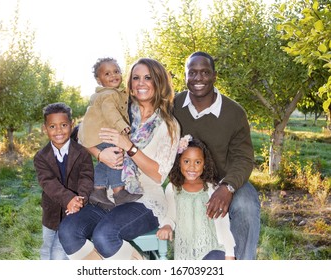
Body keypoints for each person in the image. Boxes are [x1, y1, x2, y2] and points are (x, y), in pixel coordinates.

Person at [58, 58, 180, 260]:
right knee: (68, 231)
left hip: (143, 197)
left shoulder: (169, 124)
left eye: (148, 78)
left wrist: (129, 146)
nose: (141, 83)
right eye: (136, 78)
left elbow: (159, 175)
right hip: (108, 194)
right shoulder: (116, 109)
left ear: (158, 82)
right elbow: (82, 134)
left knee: (105, 236)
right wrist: (100, 154)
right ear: (130, 83)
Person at [172, 51, 260, 260]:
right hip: (189, 178)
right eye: (192, 73)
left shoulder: (234, 112)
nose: (198, 78)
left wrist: (227, 187)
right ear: (185, 75)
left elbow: (244, 157)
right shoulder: (174, 106)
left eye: (205, 72)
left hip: (226, 179)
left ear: (214, 75)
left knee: (247, 204)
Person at [157, 135, 236, 260]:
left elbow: (223, 224)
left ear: (204, 164)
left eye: (197, 162)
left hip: (213, 251)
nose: (192, 167)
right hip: (185, 254)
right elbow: (170, 216)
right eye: (186, 161)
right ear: (178, 163)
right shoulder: (173, 188)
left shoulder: (212, 189)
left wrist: (230, 253)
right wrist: (167, 225)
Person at [78, 57, 141, 209]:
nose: (113, 75)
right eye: (107, 74)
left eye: (116, 71)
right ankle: (119, 191)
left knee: (104, 162)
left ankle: (98, 190)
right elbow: (110, 111)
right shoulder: (108, 94)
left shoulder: (109, 93)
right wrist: (121, 126)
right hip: (106, 132)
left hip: (97, 135)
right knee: (116, 156)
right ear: (99, 80)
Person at [33, 102, 94, 260]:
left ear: (71, 125)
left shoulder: (82, 153)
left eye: (63, 125)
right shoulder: (41, 157)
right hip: (51, 213)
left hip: (73, 212)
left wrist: (80, 199)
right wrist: (68, 199)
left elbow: (86, 178)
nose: (58, 130)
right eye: (52, 126)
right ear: (45, 128)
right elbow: (48, 183)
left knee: (60, 253)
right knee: (47, 247)